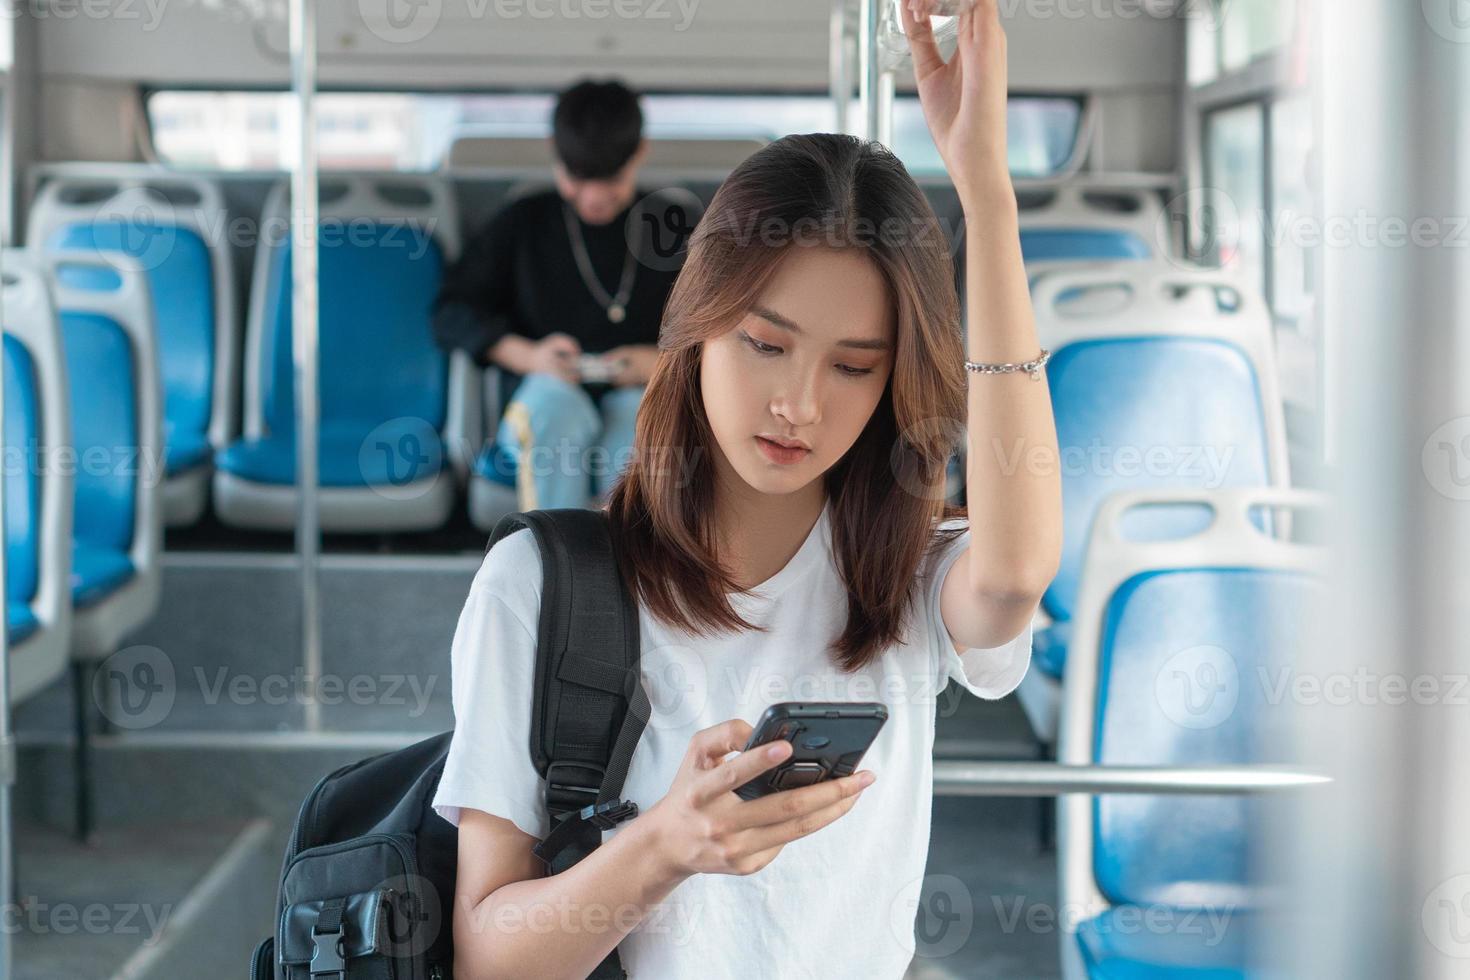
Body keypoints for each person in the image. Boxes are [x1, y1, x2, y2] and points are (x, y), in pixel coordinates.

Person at [432, 3, 1063, 976]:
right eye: (764, 345)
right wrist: (664, 848)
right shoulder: (538, 584)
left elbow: (1018, 570)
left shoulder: (906, 572)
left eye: (855, 367)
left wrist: (987, 191)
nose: (799, 405)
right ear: (697, 325)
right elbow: (488, 957)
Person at [431, 78, 695, 509]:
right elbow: (452, 310)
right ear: (555, 152)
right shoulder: (523, 223)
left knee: (640, 423)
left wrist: (658, 364)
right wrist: (529, 357)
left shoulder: (673, 226)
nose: (593, 198)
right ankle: (558, 567)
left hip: (640, 393)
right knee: (554, 411)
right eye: (578, 178)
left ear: (639, 153)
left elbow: (721, 327)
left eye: (610, 180)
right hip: (545, 394)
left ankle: (627, 570)